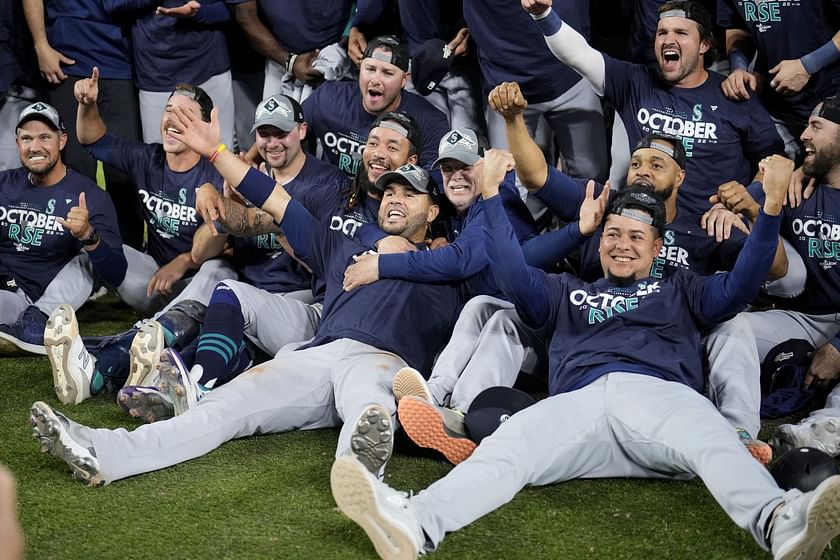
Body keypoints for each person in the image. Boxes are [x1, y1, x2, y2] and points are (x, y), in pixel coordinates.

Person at [329, 152, 840, 560]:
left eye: (636, 237)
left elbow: (745, 282)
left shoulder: (683, 289)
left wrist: (771, 208)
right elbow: (509, 272)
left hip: (659, 401)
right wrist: (488, 194)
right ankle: (414, 524)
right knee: (509, 447)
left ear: (657, 247)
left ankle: (779, 524)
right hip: (580, 404)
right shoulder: (565, 290)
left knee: (712, 438)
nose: (621, 245)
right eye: (613, 234)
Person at [28, 155, 463, 487]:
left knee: (369, 405)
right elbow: (278, 201)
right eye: (389, 192)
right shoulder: (346, 245)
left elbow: (512, 273)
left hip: (382, 359)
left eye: (409, 194)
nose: (394, 199)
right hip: (317, 353)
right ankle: (104, 451)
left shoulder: (452, 264)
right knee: (223, 408)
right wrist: (215, 151)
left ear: (433, 212)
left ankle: (359, 477)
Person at [522, 0, 783, 212]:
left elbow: (776, 160)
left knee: (791, 276)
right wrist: (544, 15)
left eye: (681, 33)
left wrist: (745, 197)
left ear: (705, 44)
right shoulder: (635, 81)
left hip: (712, 227)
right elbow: (578, 54)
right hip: (643, 225)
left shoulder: (732, 95)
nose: (669, 40)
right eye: (662, 33)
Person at [704, 96, 840, 457]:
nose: (804, 134)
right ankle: (739, 432)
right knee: (730, 327)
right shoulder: (796, 184)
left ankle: (821, 430)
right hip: (806, 316)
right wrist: (739, 203)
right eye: (807, 124)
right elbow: (740, 205)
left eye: (817, 127)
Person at [74, 68, 237, 313]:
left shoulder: (221, 171)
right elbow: (93, 141)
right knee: (94, 247)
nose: (172, 119)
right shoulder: (146, 158)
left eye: (184, 114)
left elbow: (242, 251)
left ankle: (173, 322)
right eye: (169, 111)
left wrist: (185, 261)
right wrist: (87, 105)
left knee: (217, 271)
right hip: (156, 279)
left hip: (203, 284)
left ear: (205, 127)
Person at [0, 101, 122, 357]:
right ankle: (20, 331)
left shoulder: (90, 196)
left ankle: (37, 323)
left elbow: (117, 273)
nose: (35, 147)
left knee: (87, 260)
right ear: (18, 142)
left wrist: (88, 235)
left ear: (62, 140)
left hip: (48, 295)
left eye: (45, 137)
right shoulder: (4, 184)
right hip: (7, 293)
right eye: (27, 138)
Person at [21, 0, 144, 248]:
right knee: (73, 169)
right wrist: (41, 45)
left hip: (120, 62)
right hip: (67, 61)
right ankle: (77, 254)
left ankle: (129, 254)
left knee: (123, 170)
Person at [302, 35, 450, 178]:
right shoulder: (329, 97)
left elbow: (433, 183)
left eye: (387, 73)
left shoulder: (430, 122)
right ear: (360, 70)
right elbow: (287, 135)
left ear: (404, 80)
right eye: (370, 69)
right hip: (331, 194)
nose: (375, 80)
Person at [718, 0, 840, 161]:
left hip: (831, 101)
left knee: (824, 178)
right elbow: (737, 26)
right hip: (776, 105)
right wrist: (739, 66)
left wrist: (809, 65)